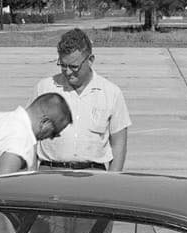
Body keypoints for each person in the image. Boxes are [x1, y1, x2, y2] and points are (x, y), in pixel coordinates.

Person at [34, 28, 130, 172]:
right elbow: (29, 138)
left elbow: (119, 144)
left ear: (90, 60)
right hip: (49, 175)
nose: (67, 71)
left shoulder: (111, 93)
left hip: (94, 178)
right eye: (63, 65)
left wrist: (112, 182)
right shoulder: (44, 88)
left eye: (74, 66)